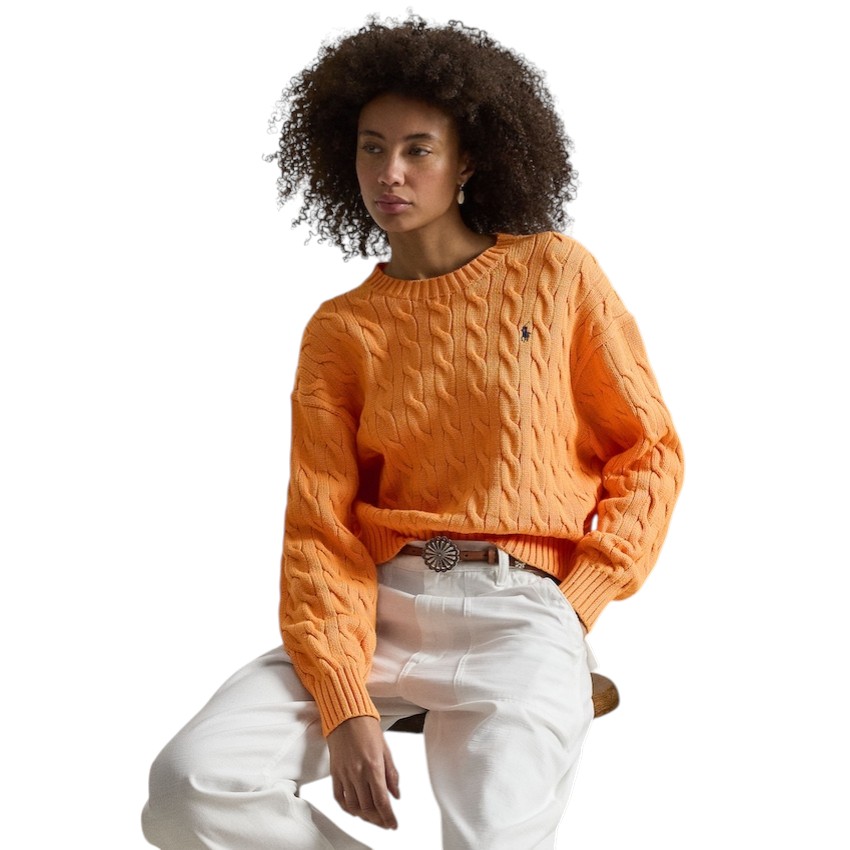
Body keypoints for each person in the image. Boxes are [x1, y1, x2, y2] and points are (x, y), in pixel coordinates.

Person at [142, 16, 684, 850]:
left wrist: (576, 605)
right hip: (380, 609)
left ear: (468, 162)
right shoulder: (341, 330)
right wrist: (344, 703)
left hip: (522, 608)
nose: (389, 173)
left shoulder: (555, 274)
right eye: (371, 148)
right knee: (191, 788)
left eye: (418, 149)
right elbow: (320, 528)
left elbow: (649, 452)